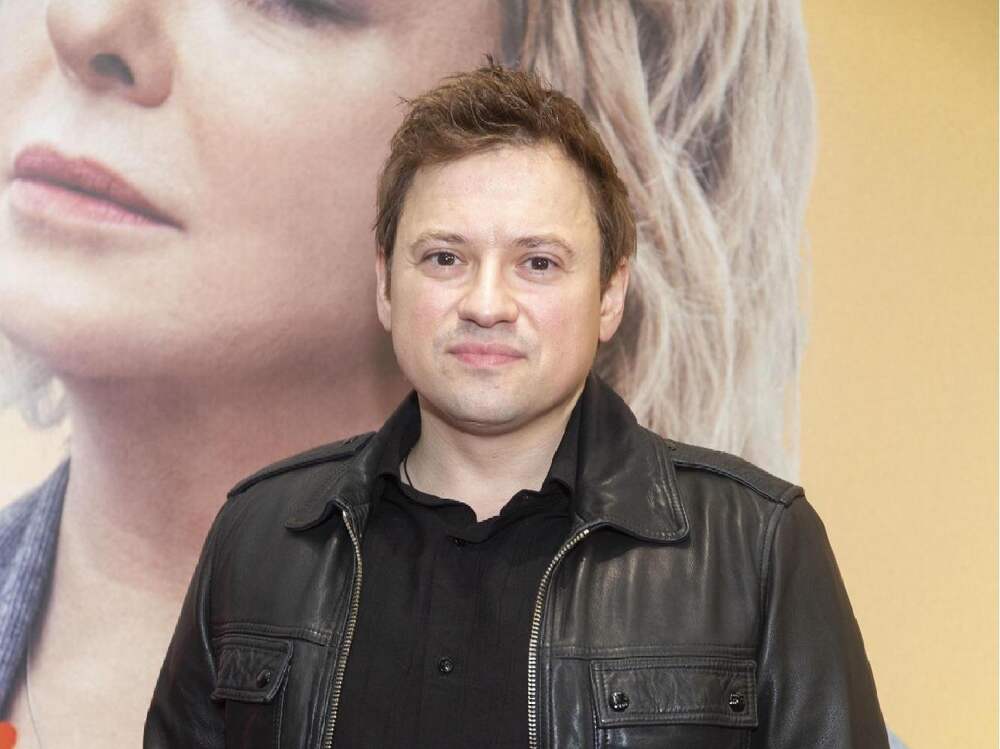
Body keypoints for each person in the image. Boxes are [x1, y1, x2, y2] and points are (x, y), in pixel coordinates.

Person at [145, 63, 889, 748]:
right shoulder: (260, 536)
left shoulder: (755, 548)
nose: (486, 303)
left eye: (538, 262)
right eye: (445, 258)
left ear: (611, 293)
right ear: (385, 284)